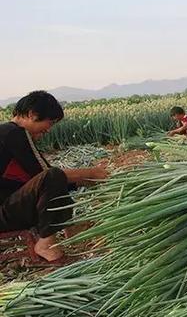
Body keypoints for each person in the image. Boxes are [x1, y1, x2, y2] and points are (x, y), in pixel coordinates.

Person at [0, 91, 108, 261]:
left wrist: (83, 181)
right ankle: (46, 243)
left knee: (54, 178)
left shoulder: (8, 134)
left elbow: (34, 180)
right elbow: (45, 175)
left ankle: (68, 228)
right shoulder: (14, 133)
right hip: (3, 214)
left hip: (7, 207)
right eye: (49, 123)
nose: (49, 130)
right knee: (53, 176)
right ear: (32, 114)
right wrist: (91, 173)